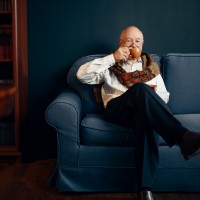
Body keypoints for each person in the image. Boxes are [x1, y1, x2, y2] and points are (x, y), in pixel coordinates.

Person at [76, 26, 200, 200]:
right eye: (129, 41)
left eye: (138, 41)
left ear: (142, 44)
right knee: (140, 88)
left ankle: (145, 190)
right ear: (121, 43)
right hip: (117, 109)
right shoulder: (109, 64)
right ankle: (182, 136)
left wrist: (151, 96)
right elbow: (81, 76)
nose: (133, 44)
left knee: (146, 117)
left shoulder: (150, 67)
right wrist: (113, 57)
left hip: (140, 111)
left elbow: (164, 96)